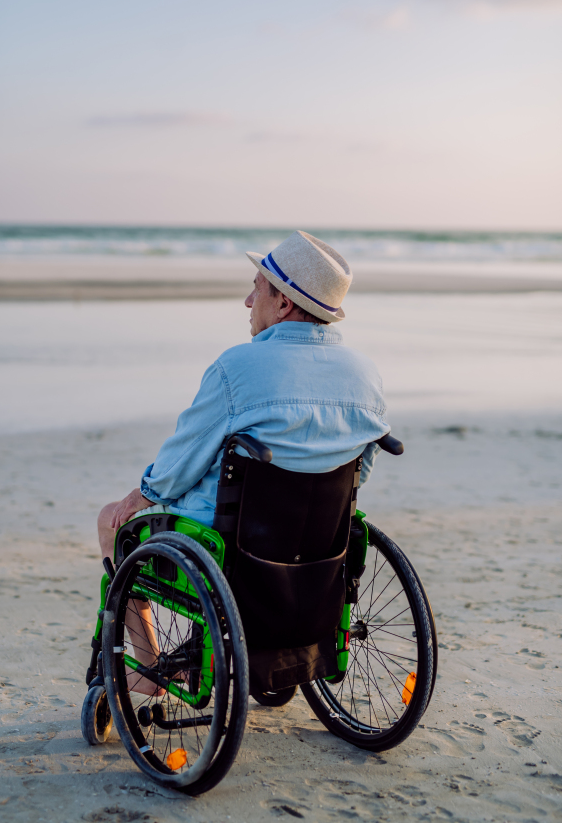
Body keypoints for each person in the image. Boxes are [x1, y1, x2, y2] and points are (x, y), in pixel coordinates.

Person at [97, 230, 389, 692]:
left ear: (285, 304)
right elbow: (360, 471)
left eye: (258, 288)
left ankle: (150, 668)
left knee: (113, 524)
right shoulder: (364, 374)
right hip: (319, 553)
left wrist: (141, 494)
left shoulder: (238, 368)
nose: (248, 301)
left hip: (231, 552)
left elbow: (179, 464)